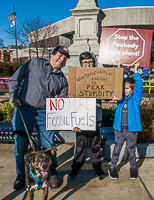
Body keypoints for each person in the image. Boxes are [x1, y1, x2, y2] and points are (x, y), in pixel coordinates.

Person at [8, 45, 70, 190]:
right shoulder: (34, 63)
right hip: (24, 110)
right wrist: (14, 97)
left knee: (49, 146)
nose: (61, 60)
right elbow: (14, 80)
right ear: (53, 54)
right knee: (20, 146)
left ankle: (52, 174)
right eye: (60, 56)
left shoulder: (62, 81)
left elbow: (61, 103)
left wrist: (69, 102)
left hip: (45, 114)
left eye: (65, 58)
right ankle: (21, 176)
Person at [70, 51, 105, 180]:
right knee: (80, 144)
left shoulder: (101, 76)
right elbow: (70, 94)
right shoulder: (76, 76)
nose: (87, 64)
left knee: (95, 144)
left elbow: (107, 93)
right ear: (81, 64)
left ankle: (97, 166)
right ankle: (76, 167)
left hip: (95, 115)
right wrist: (71, 96)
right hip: (81, 115)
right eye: (84, 62)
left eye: (90, 61)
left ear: (94, 63)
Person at [108, 62, 143, 180]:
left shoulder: (136, 98)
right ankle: (112, 168)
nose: (124, 90)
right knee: (117, 149)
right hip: (119, 129)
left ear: (132, 90)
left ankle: (133, 169)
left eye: (127, 88)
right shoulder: (120, 97)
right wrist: (119, 70)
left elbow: (139, 85)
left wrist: (136, 71)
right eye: (123, 88)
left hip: (131, 129)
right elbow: (117, 83)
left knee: (131, 150)